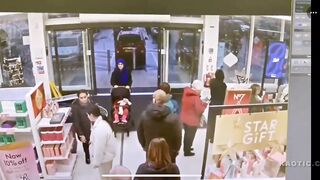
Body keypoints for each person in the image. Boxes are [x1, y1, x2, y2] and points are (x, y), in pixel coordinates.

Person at [137, 89, 182, 163]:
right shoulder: (174, 118)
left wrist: (145, 147)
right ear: (165, 101)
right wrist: (174, 152)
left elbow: (140, 133)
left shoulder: (144, 116)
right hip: (168, 154)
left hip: (151, 151)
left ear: (154, 100)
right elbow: (178, 137)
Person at [87, 104, 117, 179]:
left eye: (87, 115)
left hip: (105, 159)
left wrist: (96, 163)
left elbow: (99, 148)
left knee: (105, 177)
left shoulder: (100, 129)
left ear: (91, 115)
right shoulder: (101, 123)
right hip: (106, 157)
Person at [180, 80, 208, 156]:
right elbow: (200, 110)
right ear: (197, 90)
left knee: (187, 135)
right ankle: (187, 151)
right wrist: (205, 104)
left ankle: (186, 148)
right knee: (190, 136)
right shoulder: (195, 98)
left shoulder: (186, 93)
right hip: (192, 120)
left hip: (184, 117)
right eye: (200, 90)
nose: (200, 92)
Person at [71, 89, 95, 164]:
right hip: (84, 129)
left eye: (85, 97)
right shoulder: (75, 107)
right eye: (81, 98)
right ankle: (87, 155)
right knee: (86, 144)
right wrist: (81, 134)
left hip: (93, 127)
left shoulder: (91, 102)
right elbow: (76, 122)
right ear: (78, 98)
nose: (84, 99)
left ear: (87, 95)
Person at [208, 69, 227, 143]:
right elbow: (223, 96)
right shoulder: (223, 85)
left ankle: (210, 136)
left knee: (211, 121)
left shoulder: (212, 82)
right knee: (217, 122)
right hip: (220, 105)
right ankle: (215, 137)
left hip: (212, 103)